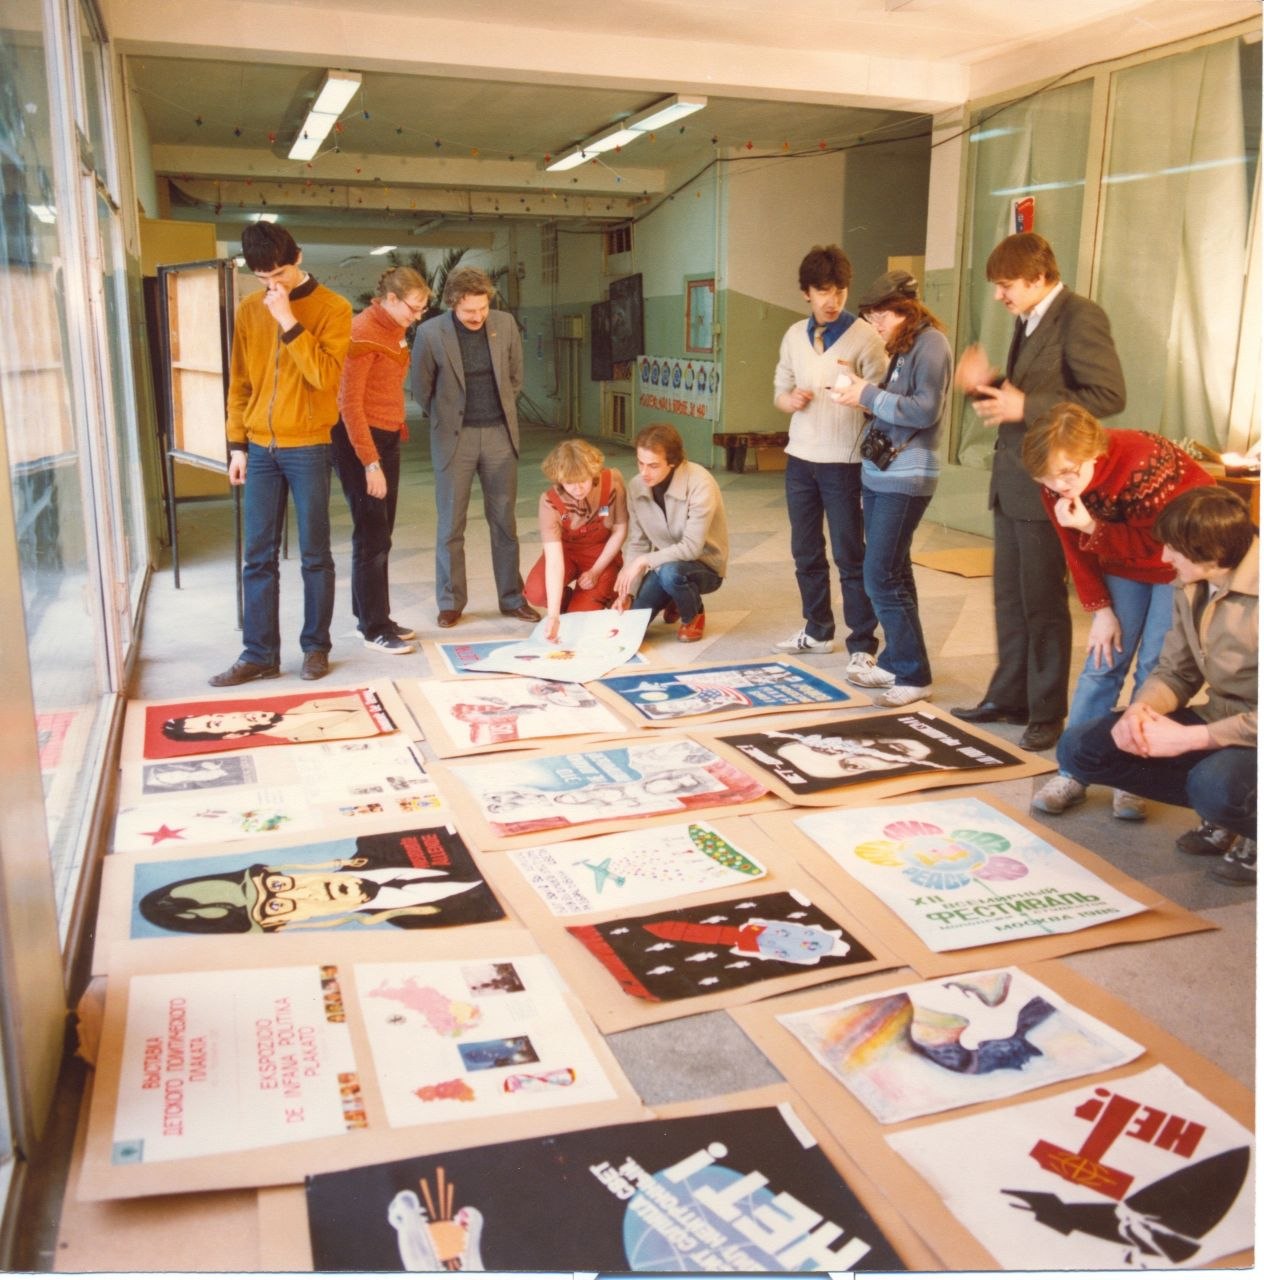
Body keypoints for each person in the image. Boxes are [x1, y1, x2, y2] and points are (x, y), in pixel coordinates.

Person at [952, 232, 1125, 751]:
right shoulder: (1028, 317)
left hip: (1048, 482)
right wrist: (984, 384)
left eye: (1006, 285)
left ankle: (1046, 711)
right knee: (1010, 598)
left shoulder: (1080, 316)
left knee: (1043, 601)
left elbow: (1107, 395)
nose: (999, 295)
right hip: (1013, 481)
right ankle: (1010, 696)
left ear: (1039, 277)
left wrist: (1025, 406)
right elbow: (1026, 392)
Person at [1056, 487, 1257, 886]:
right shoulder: (1195, 580)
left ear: (1214, 554)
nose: (1164, 558)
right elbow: (1176, 670)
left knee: (1214, 786)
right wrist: (1140, 711)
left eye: (1174, 550)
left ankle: (1245, 819)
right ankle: (1227, 807)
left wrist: (1193, 738)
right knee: (1081, 748)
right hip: (1220, 717)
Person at [1021, 404, 1213, 818]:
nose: (1058, 486)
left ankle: (1133, 773)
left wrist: (1092, 528)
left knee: (1156, 670)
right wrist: (1101, 610)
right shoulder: (1056, 480)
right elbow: (1075, 549)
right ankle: (1074, 769)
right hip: (1120, 560)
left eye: (1067, 474)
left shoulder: (1142, 462)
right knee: (1103, 660)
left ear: (1093, 452)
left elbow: (1159, 546)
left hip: (1178, 560)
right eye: (1046, 479)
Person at [211, 223, 352, 687]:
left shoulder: (333, 308)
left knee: (315, 554)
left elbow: (323, 377)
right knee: (256, 556)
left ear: (299, 257)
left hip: (309, 445)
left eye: (281, 274)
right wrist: (236, 444)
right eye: (263, 278)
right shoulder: (249, 310)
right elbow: (240, 383)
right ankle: (259, 654)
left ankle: (315, 648)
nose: (273, 286)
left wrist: (289, 320)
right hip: (259, 448)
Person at [832, 269, 952, 708]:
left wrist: (866, 394)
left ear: (906, 310)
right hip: (882, 473)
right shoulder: (903, 346)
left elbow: (925, 410)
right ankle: (900, 659)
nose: (876, 324)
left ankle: (914, 675)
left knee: (879, 574)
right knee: (894, 570)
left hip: (907, 475)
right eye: (871, 316)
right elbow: (891, 404)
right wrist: (859, 393)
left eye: (881, 315)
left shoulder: (932, 344)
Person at [772, 244, 888, 671]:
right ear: (807, 292)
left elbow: (882, 399)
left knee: (849, 554)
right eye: (823, 291)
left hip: (845, 461)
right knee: (805, 551)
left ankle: (862, 644)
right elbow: (780, 389)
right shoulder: (792, 336)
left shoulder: (865, 336)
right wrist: (790, 400)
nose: (832, 300)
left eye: (839, 290)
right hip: (800, 459)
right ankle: (818, 630)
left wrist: (860, 397)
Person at [409, 265, 539, 629]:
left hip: (499, 435)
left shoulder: (505, 324)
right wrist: (448, 416)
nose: (477, 316)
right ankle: (451, 602)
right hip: (455, 438)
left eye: (482, 308)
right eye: (469, 310)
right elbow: (421, 389)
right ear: (453, 303)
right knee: (451, 525)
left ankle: (512, 598)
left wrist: (496, 414)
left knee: (504, 522)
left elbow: (515, 378)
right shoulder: (430, 333)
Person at [332, 265, 430, 655]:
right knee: (372, 535)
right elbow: (348, 405)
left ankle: (375, 616)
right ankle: (372, 628)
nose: (417, 316)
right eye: (414, 308)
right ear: (391, 299)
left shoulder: (393, 328)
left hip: (386, 435)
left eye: (422, 309)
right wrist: (370, 463)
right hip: (360, 441)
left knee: (380, 534)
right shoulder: (362, 332)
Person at [613, 423, 727, 642]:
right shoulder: (636, 486)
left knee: (671, 574)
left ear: (673, 462)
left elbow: (692, 548)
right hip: (664, 563)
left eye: (653, 465)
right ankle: (673, 595)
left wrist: (645, 561)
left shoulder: (700, 483)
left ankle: (693, 615)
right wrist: (628, 593)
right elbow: (638, 543)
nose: (644, 472)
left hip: (705, 565)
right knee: (631, 627)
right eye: (640, 463)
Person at [523, 438, 628, 641]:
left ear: (593, 472)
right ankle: (567, 603)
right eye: (570, 483)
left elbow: (620, 529)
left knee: (580, 618)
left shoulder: (612, 482)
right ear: (559, 479)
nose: (578, 488)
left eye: (583, 480)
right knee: (536, 592)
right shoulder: (550, 502)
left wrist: (596, 571)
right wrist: (553, 616)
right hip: (566, 553)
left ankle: (604, 595)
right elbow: (554, 560)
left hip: (600, 553)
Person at [161, 694, 385, 745]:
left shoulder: (308, 705)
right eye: (217, 723)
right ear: (233, 735)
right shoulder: (303, 738)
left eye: (218, 714)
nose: (232, 714)